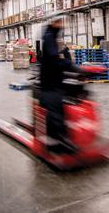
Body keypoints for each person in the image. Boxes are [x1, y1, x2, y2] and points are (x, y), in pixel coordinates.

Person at [39, 18, 76, 151]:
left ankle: (63, 134)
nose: (62, 25)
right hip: (49, 81)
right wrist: (72, 67)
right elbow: (54, 59)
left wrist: (69, 67)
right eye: (59, 22)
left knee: (63, 104)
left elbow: (62, 58)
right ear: (53, 23)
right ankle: (59, 137)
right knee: (55, 107)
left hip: (55, 79)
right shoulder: (49, 38)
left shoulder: (54, 38)